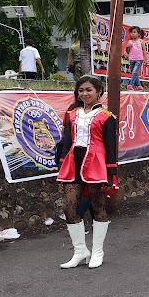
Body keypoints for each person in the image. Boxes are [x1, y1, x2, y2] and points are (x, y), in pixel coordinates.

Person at [56, 76, 117, 269]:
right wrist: (62, 165)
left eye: (88, 90)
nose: (84, 93)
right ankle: (80, 250)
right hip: (73, 162)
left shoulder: (107, 116)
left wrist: (111, 172)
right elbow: (66, 142)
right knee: (69, 207)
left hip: (96, 163)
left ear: (99, 92)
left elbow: (110, 146)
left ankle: (98, 251)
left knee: (98, 205)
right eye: (81, 90)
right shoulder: (72, 114)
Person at [123, 26, 147, 91]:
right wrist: (127, 48)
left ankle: (131, 85)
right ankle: (139, 86)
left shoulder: (141, 41)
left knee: (134, 72)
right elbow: (127, 51)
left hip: (139, 59)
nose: (132, 34)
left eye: (134, 32)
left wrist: (145, 59)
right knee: (134, 73)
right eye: (131, 32)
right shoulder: (129, 41)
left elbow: (144, 50)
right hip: (131, 59)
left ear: (138, 33)